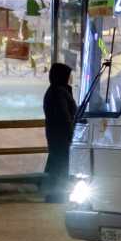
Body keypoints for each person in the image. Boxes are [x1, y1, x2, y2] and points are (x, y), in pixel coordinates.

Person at [42, 62, 77, 203]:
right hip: (61, 134)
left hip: (56, 133)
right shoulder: (59, 91)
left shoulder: (56, 90)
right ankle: (56, 195)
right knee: (60, 164)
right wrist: (70, 135)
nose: (70, 79)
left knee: (58, 162)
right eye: (68, 76)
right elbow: (64, 116)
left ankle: (55, 194)